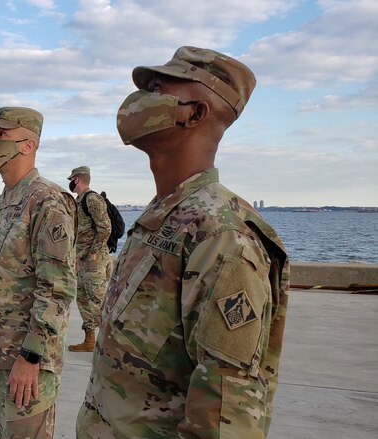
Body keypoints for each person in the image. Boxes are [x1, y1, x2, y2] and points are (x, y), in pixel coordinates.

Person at [76, 47, 290, 438]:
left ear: (195, 113)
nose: (139, 99)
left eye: (157, 88)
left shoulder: (221, 235)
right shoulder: (165, 217)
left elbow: (227, 417)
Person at [0, 107, 77, 438]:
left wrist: (31, 355)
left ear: (28, 145)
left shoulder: (47, 201)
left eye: (1, 135)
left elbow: (57, 288)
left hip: (26, 362)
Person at [66, 166, 111, 352]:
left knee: (97, 300)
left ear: (77, 179)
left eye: (71, 179)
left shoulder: (92, 199)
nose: (69, 183)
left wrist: (93, 250)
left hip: (94, 260)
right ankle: (90, 340)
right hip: (83, 259)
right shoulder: (79, 200)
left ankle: (108, 344)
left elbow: (105, 228)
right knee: (83, 299)